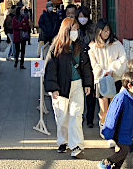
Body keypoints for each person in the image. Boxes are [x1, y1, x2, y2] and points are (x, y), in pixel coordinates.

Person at [44, 17, 93, 158]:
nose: (75, 32)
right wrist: (53, 88)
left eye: (76, 29)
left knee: (76, 115)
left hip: (77, 84)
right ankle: (62, 141)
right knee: (62, 116)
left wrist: (88, 84)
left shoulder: (81, 46)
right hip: (61, 87)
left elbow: (86, 67)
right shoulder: (56, 47)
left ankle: (77, 145)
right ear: (66, 30)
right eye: (73, 29)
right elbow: (50, 69)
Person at [88, 18, 127, 147]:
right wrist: (101, 71)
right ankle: (104, 125)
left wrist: (112, 69)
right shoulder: (92, 46)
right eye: (104, 31)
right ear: (98, 32)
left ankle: (112, 132)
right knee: (104, 106)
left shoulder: (116, 44)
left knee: (114, 106)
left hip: (115, 79)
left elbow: (122, 59)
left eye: (108, 31)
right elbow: (93, 63)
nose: (106, 33)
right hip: (100, 80)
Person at [98, 71, 133, 169]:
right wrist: (109, 132)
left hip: (126, 132)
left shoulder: (132, 98)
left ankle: (115, 167)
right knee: (123, 152)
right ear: (130, 85)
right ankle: (106, 162)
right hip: (120, 132)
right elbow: (113, 116)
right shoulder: (122, 97)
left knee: (124, 153)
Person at [77, 6, 97, 128]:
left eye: (84, 16)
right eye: (80, 16)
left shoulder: (93, 28)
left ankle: (90, 118)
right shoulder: (75, 28)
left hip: (91, 61)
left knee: (91, 93)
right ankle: (80, 115)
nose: (82, 19)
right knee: (79, 91)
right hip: (79, 62)